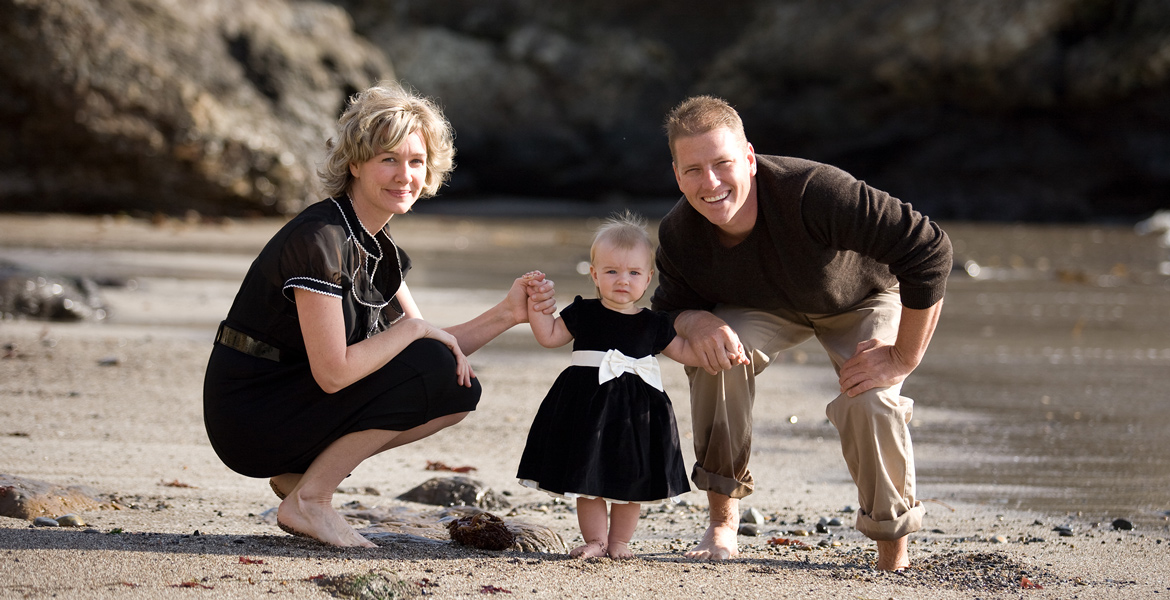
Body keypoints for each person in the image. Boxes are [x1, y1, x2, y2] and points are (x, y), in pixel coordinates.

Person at [202, 82, 555, 548]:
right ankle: (312, 498)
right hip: (249, 412)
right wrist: (411, 329)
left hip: (290, 399)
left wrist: (508, 313)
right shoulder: (321, 239)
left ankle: (302, 477)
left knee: (451, 383)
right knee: (435, 371)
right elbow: (334, 374)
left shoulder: (376, 246)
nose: (404, 175)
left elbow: (426, 354)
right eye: (388, 159)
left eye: (415, 162)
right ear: (354, 163)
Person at [650, 96, 952, 570]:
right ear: (676, 174)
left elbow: (929, 250)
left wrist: (902, 357)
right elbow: (666, 312)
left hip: (860, 299)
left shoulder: (814, 191)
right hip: (765, 307)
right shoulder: (680, 235)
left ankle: (891, 545)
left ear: (749, 157)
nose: (710, 183)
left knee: (869, 398)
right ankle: (722, 525)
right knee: (712, 358)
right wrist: (697, 320)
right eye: (693, 170)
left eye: (723, 163)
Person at [515, 212, 724, 559]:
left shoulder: (654, 323)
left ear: (648, 279)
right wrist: (537, 305)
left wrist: (718, 351)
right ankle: (596, 541)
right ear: (595, 275)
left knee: (633, 483)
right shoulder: (583, 312)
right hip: (586, 406)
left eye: (633, 273)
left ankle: (620, 543)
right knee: (588, 478)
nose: (622, 280)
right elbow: (549, 335)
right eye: (611, 271)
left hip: (638, 414)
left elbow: (687, 353)